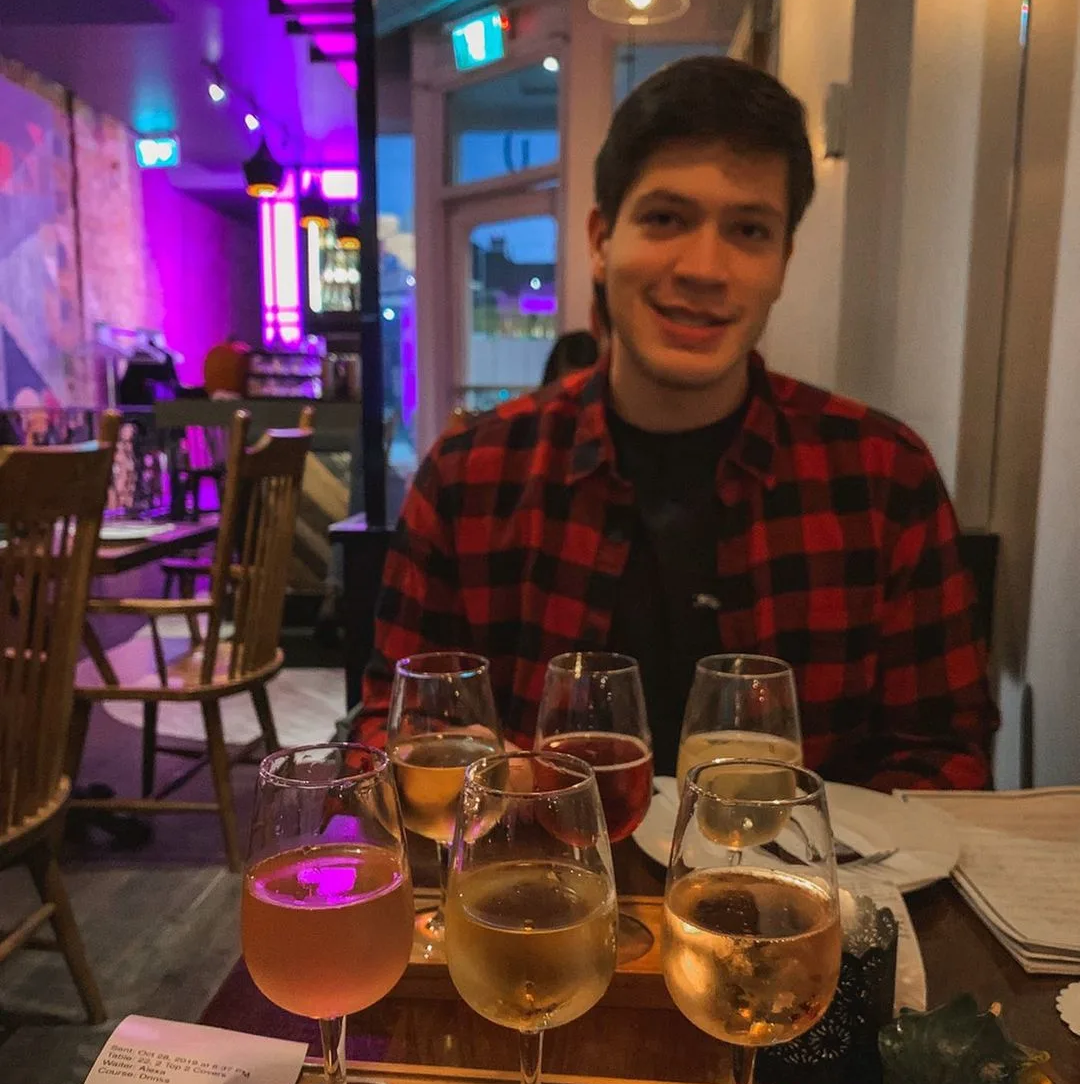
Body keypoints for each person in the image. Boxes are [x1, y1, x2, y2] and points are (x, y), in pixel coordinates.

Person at [353, 56, 998, 791]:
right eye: (666, 218)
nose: (704, 268)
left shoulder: (883, 478)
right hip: (531, 894)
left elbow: (946, 760)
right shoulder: (471, 474)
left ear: (783, 262)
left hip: (812, 899)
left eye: (749, 230)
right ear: (601, 241)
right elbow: (385, 728)